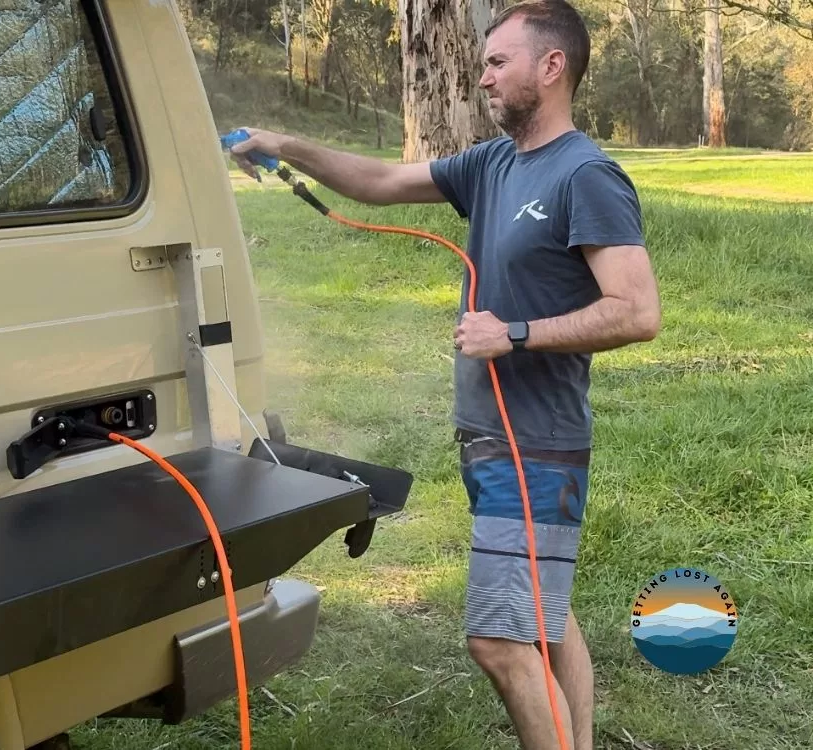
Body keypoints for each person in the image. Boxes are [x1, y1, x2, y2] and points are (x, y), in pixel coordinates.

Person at [229, 1, 661, 748]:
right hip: (496, 436)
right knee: (547, 614)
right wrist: (286, 143)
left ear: (551, 67)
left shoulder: (585, 175)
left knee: (499, 641)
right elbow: (380, 181)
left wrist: (514, 333)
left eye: (499, 62)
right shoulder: (494, 163)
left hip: (534, 445)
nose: (483, 77)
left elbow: (637, 310)